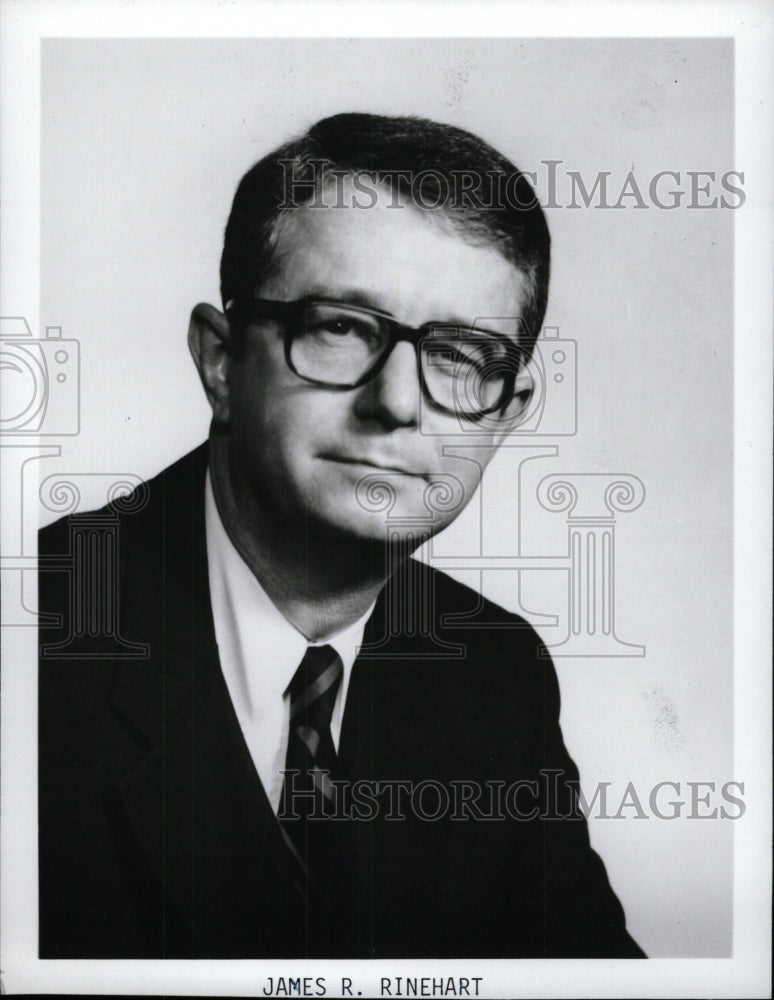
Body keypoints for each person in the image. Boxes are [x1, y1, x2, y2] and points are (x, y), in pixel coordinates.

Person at [38, 112, 644, 959]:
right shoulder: (33, 632)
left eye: (461, 355)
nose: (398, 401)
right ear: (221, 360)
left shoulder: (495, 674)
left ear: (507, 414)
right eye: (342, 327)